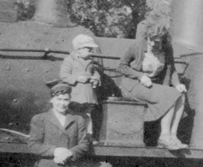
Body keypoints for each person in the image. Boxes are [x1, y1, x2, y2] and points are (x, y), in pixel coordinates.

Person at [117, 20, 187, 151]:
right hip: (132, 85)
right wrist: (140, 76)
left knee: (180, 95)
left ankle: (173, 136)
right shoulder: (136, 46)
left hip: (152, 86)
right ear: (148, 37)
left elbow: (171, 68)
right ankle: (164, 136)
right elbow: (121, 66)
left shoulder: (166, 47)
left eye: (159, 41)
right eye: (153, 41)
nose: (155, 44)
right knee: (169, 95)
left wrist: (177, 84)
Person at [60, 33, 101, 139]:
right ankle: (73, 136)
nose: (91, 52)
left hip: (88, 93)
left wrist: (96, 79)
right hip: (76, 94)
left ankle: (87, 136)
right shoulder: (69, 60)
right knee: (74, 114)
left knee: (87, 115)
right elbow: (64, 75)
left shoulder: (90, 61)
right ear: (80, 49)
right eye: (89, 49)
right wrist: (77, 78)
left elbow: (95, 72)